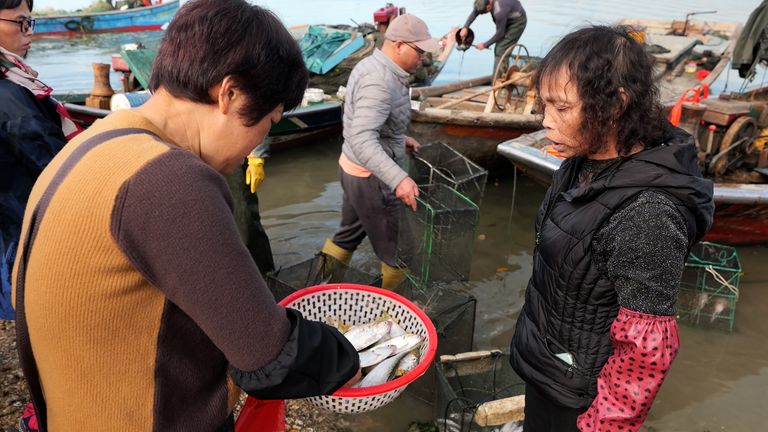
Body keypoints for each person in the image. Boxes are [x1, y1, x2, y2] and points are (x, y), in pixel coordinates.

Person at [12, 1, 360, 430]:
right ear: (229, 93)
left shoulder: (95, 140)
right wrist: (348, 363)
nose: (258, 142)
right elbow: (268, 357)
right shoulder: (169, 180)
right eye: (269, 121)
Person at [508, 26, 714, 432]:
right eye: (544, 105)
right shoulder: (582, 160)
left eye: (562, 108)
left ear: (616, 104)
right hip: (552, 364)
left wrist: (600, 426)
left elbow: (646, 353)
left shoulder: (648, 215)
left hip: (581, 399)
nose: (546, 121)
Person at [320, 14, 438, 290]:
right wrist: (399, 179)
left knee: (346, 236)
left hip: (352, 170)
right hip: (372, 179)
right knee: (399, 253)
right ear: (398, 45)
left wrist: (399, 137)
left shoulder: (370, 64)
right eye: (419, 51)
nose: (423, 59)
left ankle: (322, 284)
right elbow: (362, 138)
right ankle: (393, 312)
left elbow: (362, 122)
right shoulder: (380, 82)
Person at [1, 0, 80, 321]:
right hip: (18, 250)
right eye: (21, 23)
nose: (29, 32)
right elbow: (60, 172)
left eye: (30, 22)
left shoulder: (14, 86)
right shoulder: (9, 97)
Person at [460, 0, 527, 74]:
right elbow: (475, 12)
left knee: (501, 49)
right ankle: (503, 72)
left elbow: (500, 34)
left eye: (484, 12)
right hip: (506, 17)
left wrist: (485, 44)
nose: (483, 14)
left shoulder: (499, 11)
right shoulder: (485, 2)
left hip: (517, 22)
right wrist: (465, 27)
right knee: (499, 48)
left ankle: (498, 80)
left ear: (489, 7)